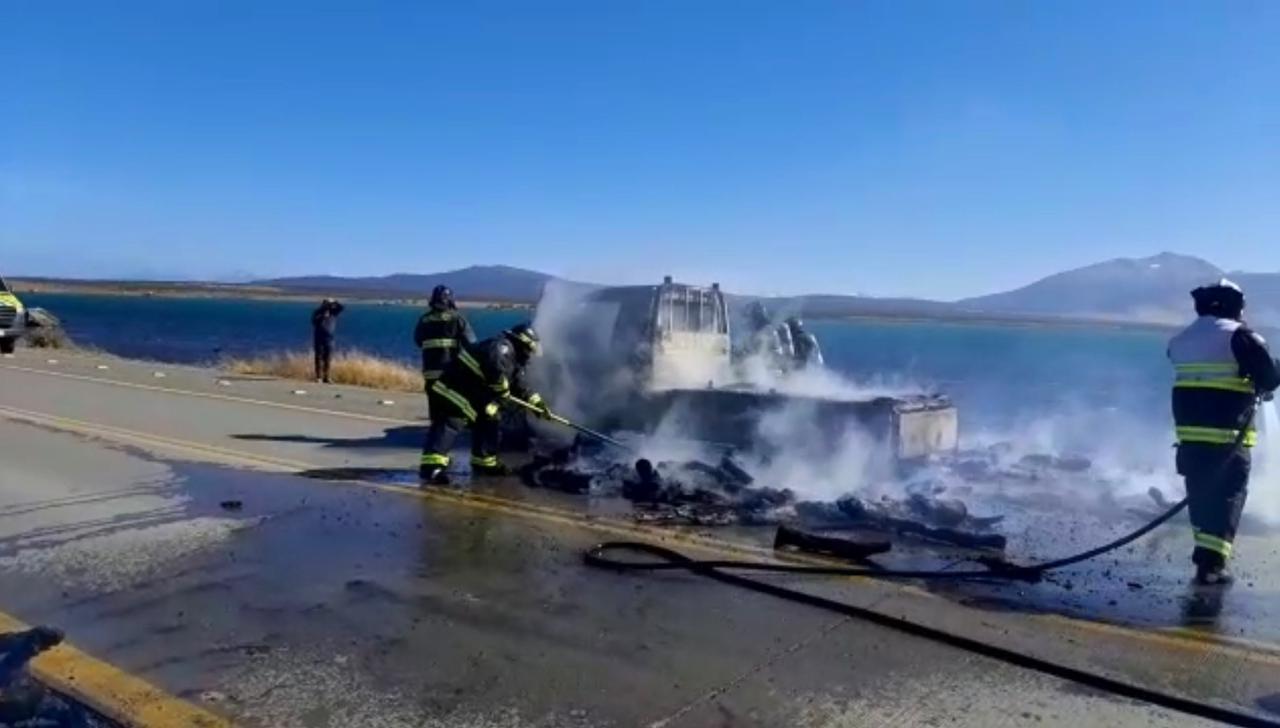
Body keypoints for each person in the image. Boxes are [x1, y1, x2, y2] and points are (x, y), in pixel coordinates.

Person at [1167, 279, 1280, 585]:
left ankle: (1205, 558)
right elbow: (1269, 378)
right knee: (1229, 496)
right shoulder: (1240, 337)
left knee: (1200, 495)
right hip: (1228, 438)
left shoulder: (1180, 340)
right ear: (1234, 305)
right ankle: (1212, 566)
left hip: (1190, 438)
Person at [419, 323, 551, 484]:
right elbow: (495, 369)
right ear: (522, 343)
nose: (530, 355)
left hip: (473, 393)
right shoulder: (502, 347)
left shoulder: (515, 360)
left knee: (490, 418)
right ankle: (432, 467)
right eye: (529, 350)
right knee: (453, 421)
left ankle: (484, 462)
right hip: (454, 388)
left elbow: (519, 385)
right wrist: (502, 390)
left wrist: (537, 403)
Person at [413, 285, 475, 397]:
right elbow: (471, 345)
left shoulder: (424, 320)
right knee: (452, 404)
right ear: (450, 300)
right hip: (451, 373)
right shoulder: (457, 319)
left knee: (434, 405)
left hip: (430, 373)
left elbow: (418, 341)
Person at [310, 298, 344, 383]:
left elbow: (341, 307)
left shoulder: (333, 312)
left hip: (329, 339)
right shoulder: (317, 312)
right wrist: (322, 316)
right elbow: (314, 322)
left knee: (328, 358)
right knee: (319, 357)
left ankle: (327, 377)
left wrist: (334, 302)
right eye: (325, 304)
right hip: (319, 338)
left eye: (328, 304)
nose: (327, 306)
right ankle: (318, 377)